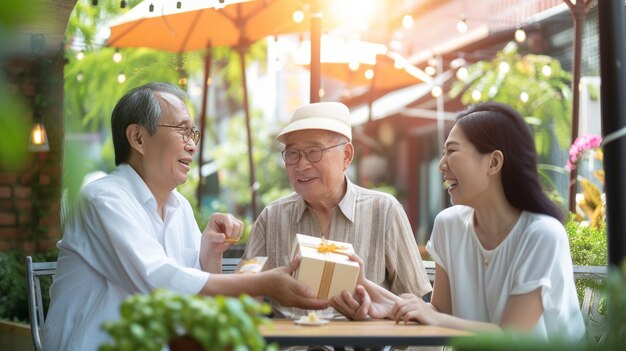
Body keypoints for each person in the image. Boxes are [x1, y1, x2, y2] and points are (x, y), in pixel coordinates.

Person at [43, 82, 329, 351]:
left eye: (193, 134)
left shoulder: (179, 206)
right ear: (138, 138)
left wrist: (210, 253)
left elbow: (198, 303)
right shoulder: (102, 199)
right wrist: (262, 283)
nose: (192, 145)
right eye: (182, 131)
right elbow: (157, 280)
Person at [331, 102, 585, 340]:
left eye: (451, 151)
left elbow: (512, 338)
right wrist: (373, 293)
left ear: (494, 162)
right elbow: (442, 314)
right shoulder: (448, 225)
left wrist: (432, 315)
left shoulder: (542, 234)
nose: (441, 165)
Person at [242, 101, 432, 319]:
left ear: (347, 155)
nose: (301, 165)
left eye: (314, 152)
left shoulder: (384, 211)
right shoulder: (272, 217)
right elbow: (244, 300)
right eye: (292, 153)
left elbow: (417, 307)